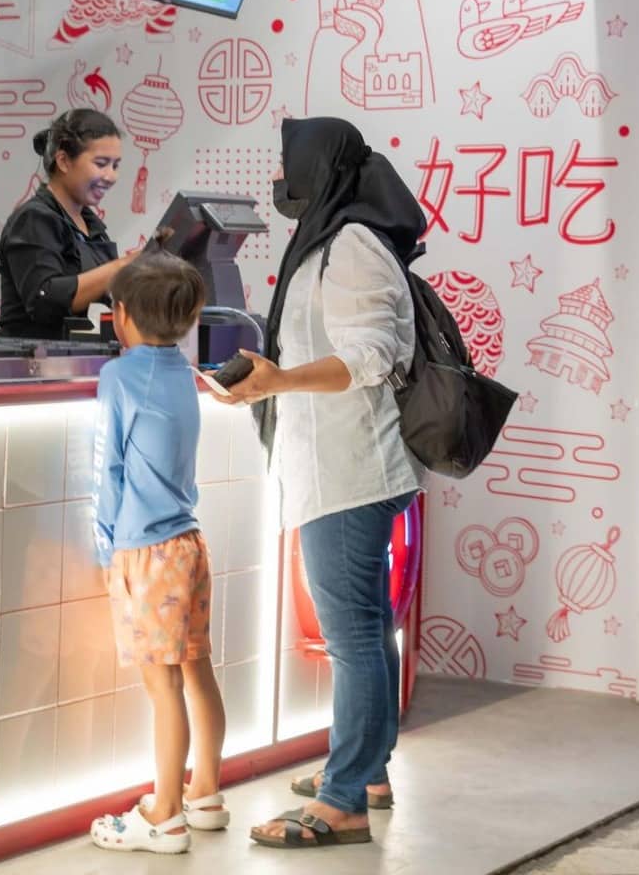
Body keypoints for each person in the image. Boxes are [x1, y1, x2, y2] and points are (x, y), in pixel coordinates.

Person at [212, 117, 427, 849]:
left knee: (355, 635)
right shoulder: (337, 240)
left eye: (287, 163)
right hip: (343, 467)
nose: (280, 177)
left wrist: (279, 380)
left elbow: (370, 357)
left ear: (320, 168)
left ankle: (343, 803)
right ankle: (367, 773)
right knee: (366, 627)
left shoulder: (353, 245)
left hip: (348, 472)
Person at [88, 252, 229, 855]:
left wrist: (104, 552)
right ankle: (206, 794)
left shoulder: (118, 378)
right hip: (190, 545)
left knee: (161, 686)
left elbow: (108, 471)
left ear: (119, 317)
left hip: (145, 552)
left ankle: (164, 814)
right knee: (197, 673)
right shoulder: (182, 369)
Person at [0, 108, 136, 339]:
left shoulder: (92, 225)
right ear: (63, 160)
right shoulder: (33, 220)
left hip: (80, 361)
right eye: (101, 164)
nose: (111, 176)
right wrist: (121, 267)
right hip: (31, 365)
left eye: (115, 165)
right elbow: (44, 299)